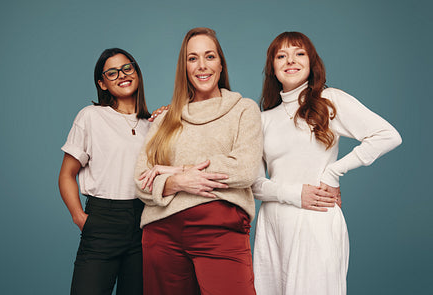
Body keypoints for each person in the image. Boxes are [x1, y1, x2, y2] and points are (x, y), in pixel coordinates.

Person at [252, 32, 402, 295]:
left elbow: (388, 135)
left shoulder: (329, 100)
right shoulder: (263, 119)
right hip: (272, 227)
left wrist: (334, 172)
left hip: (316, 220)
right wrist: (296, 194)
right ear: (272, 68)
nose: (291, 61)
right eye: (281, 56)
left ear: (311, 63)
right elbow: (254, 184)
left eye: (299, 54)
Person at [134, 27, 262, 295]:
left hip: (220, 230)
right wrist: (179, 182)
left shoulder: (244, 109)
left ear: (221, 63)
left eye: (209, 56)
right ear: (184, 67)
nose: (202, 66)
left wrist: (176, 171)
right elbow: (141, 181)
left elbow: (245, 169)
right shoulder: (165, 118)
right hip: (161, 233)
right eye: (192, 58)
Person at [58, 48, 151, 295]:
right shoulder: (91, 117)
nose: (122, 74)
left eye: (127, 67)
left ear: (136, 71)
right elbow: (67, 174)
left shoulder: (152, 124)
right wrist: (80, 218)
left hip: (144, 223)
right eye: (112, 72)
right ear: (102, 83)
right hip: (103, 221)